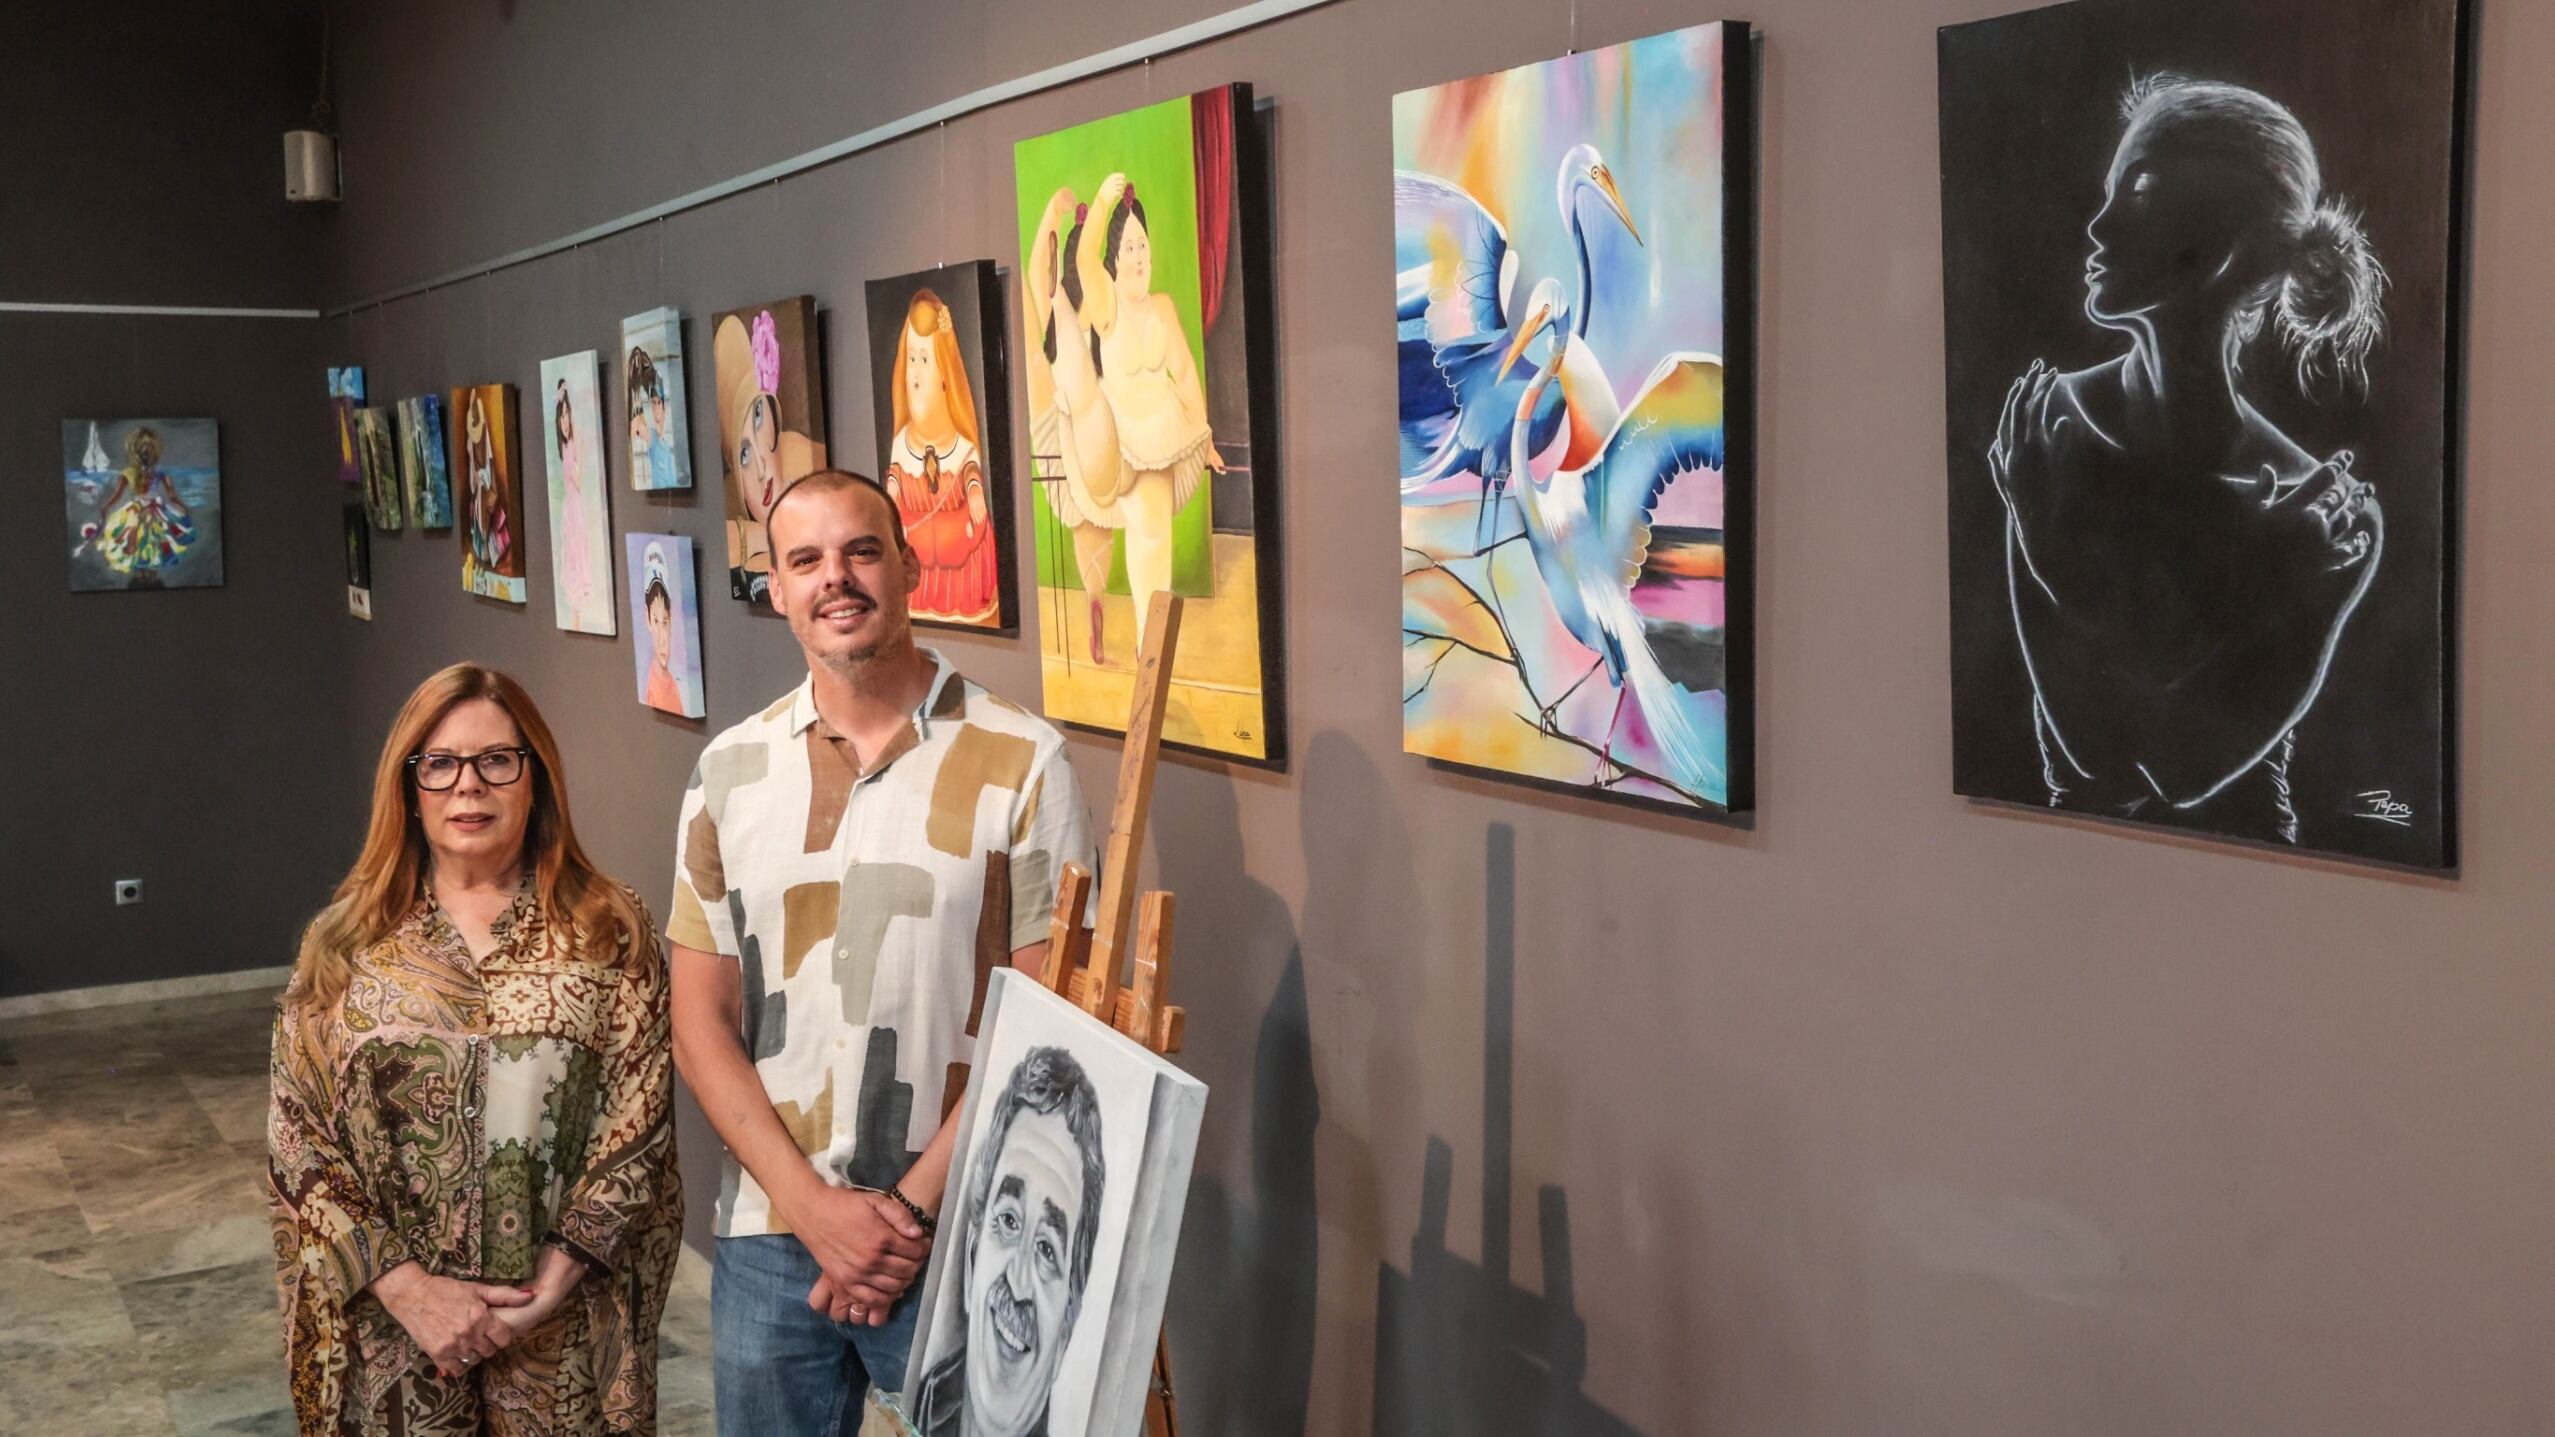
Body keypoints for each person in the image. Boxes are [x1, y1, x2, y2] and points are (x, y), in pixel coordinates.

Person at [667, 469, 1096, 1436]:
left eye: (862, 550)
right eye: (805, 559)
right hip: (771, 1237)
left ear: (906, 564)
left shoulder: (1023, 760)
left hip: (963, 1232)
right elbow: (697, 1018)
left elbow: (1050, 1018)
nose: (838, 578)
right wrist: (811, 1207)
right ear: (775, 588)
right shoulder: (729, 772)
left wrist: (896, 1215)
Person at [267, 664, 684, 1435]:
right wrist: (409, 1290)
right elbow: (300, 1142)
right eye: (441, 764)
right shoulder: (344, 946)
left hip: (563, 1328)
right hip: (395, 1333)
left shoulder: (608, 927)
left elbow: (640, 1122)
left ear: (536, 778)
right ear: (409, 785)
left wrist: (547, 1287)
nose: (469, 786)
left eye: (497, 759)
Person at [1987, 75, 2387, 842]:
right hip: (2060, 874)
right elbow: (2094, 754)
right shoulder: (2052, 424)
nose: (2097, 227)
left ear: (2218, 245)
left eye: (2133, 196)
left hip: (2265, 895)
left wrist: (2054, 559)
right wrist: (2262, 585)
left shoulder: (2326, 510)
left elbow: (2171, 770)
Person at [1024, 176, 1223, 665]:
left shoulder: (1164, 309)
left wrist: (1205, 436)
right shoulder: (1104, 301)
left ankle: (1147, 645)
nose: (1137, 256)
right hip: (1104, 438)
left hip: (1155, 439)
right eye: (1128, 247)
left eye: (1142, 246)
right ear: (1114, 262)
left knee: (1154, 538)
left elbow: (1185, 370)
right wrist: (1099, 200)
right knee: (1081, 383)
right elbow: (1083, 261)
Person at [906, 1046, 1106, 1437]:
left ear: (1069, 1323)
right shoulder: (925, 1404)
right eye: (1009, 1220)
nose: (1017, 1283)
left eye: (1048, 1248)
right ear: (971, 1255)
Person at [884, 288, 1000, 625]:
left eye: (924, 361)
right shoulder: (903, 441)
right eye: (912, 361)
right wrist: (890, 495)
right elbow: (895, 475)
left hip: (954, 537)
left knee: (964, 534)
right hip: (916, 535)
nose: (916, 377)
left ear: (946, 376)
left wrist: (974, 490)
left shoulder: (958, 443)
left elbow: (969, 467)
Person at [82, 425, 197, 588]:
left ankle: (142, 576)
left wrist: (104, 507)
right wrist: (184, 508)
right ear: (155, 451)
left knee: (136, 541)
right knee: (154, 540)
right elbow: (172, 495)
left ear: (133, 451)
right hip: (155, 510)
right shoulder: (161, 472)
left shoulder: (127, 472)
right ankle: (151, 575)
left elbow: (116, 496)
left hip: (134, 512)